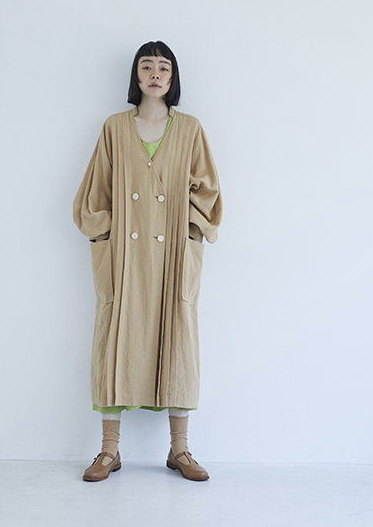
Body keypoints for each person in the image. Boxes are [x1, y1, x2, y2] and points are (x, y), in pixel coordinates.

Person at [73, 41, 222, 482]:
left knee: (178, 336)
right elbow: (96, 190)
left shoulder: (190, 129)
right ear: (136, 76)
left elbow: (208, 190)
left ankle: (180, 450)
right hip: (124, 253)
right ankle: (108, 451)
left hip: (173, 251)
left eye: (163, 68)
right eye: (146, 66)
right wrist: (104, 234)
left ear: (172, 77)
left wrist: (191, 231)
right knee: (115, 335)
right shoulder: (115, 128)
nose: (155, 74)